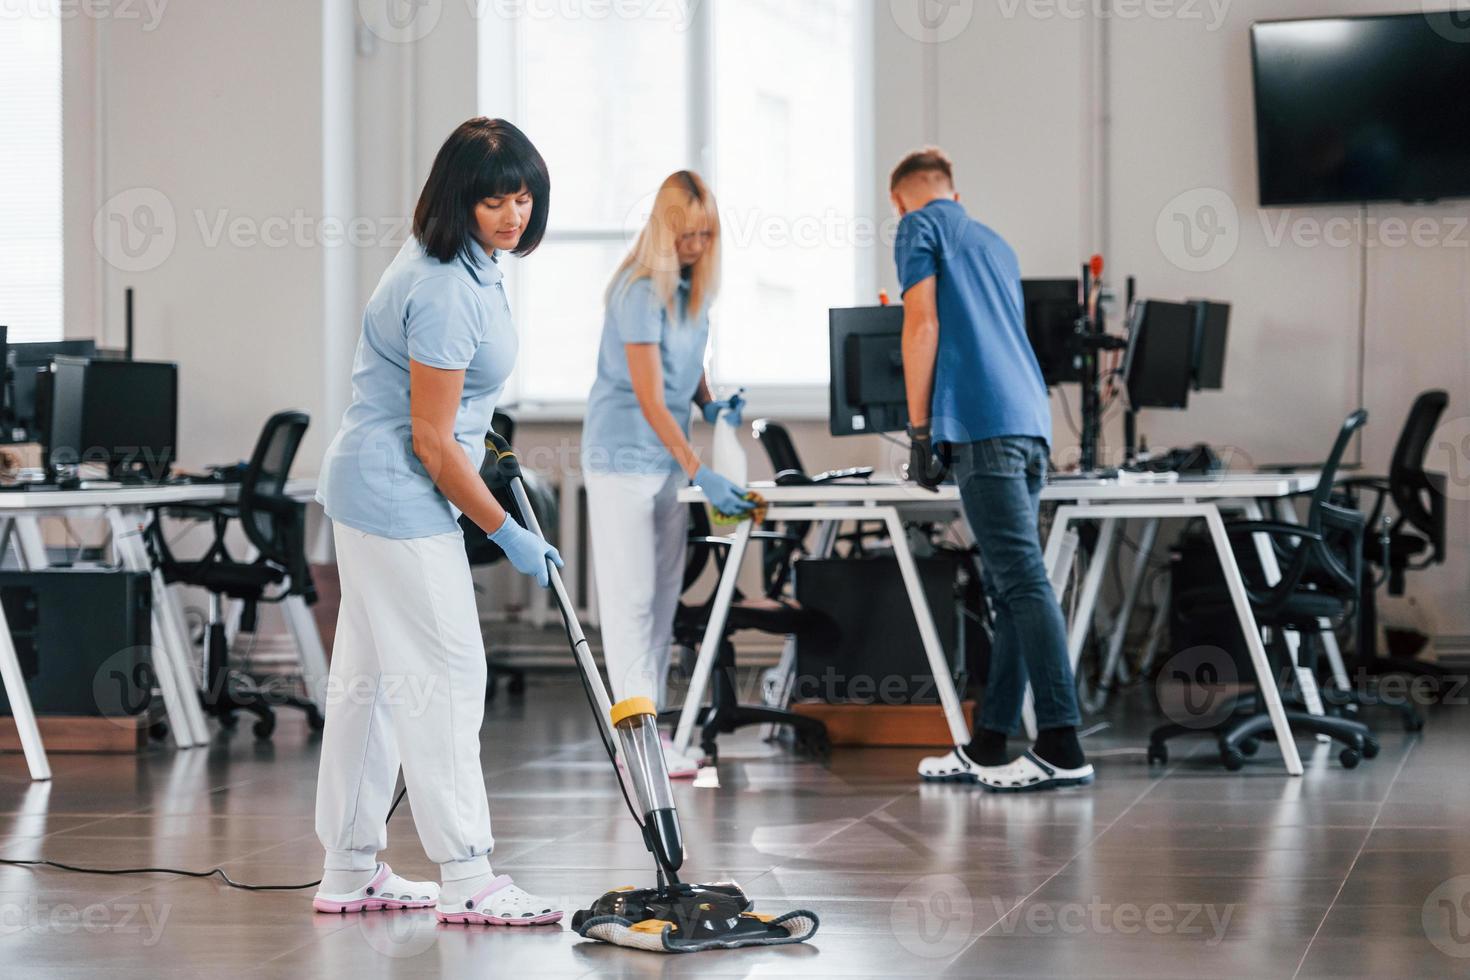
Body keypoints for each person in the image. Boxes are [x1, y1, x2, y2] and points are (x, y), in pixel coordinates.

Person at [313, 118, 566, 924]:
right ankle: (470, 875)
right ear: (459, 201)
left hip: (370, 488)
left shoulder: (464, 264)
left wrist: (474, 437)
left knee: (371, 682)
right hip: (397, 497)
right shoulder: (447, 285)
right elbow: (429, 440)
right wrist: (506, 531)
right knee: (448, 677)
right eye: (493, 199)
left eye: (522, 196)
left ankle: (350, 870)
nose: (512, 213)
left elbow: (445, 412)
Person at [891, 147, 1094, 793]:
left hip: (982, 423)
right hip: (1030, 421)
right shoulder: (993, 242)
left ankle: (1062, 744)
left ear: (902, 197)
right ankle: (989, 744)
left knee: (1025, 583)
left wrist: (920, 430)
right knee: (1011, 589)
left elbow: (920, 326)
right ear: (955, 189)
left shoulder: (917, 225)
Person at [581, 171, 752, 777]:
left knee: (658, 604)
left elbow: (690, 369)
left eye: (706, 235)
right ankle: (637, 748)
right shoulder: (636, 291)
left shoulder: (692, 292)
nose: (696, 246)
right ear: (662, 230)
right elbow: (652, 399)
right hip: (622, 461)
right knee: (628, 606)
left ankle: (651, 742)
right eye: (685, 235)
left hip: (666, 467)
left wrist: (711, 404)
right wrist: (701, 470)